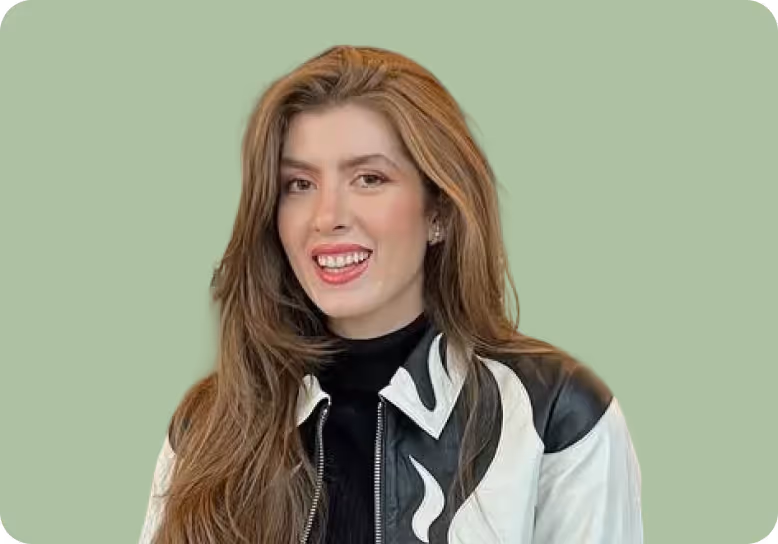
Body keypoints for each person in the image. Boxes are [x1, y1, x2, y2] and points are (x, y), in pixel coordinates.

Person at [138, 45, 643, 544]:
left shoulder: (554, 417)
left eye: (369, 178)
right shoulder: (210, 426)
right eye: (299, 184)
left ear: (439, 211)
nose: (327, 217)